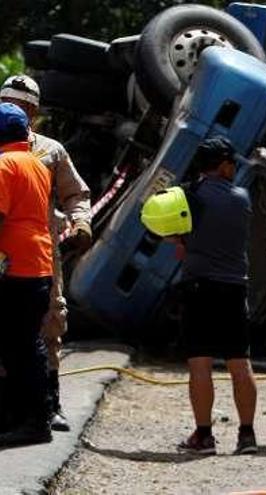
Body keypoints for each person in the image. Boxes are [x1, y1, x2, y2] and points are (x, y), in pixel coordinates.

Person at [145, 137, 258, 455]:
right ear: (223, 165)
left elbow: (168, 234)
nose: (234, 168)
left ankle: (204, 435)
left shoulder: (188, 197)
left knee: (200, 364)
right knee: (240, 363)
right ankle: (247, 435)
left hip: (199, 288)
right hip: (235, 288)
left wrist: (183, 240)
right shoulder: (242, 198)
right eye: (232, 163)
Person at [0, 74, 92, 432]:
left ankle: (49, 404)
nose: (13, 110)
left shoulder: (50, 151)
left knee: (50, 322)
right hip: (10, 252)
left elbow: (76, 194)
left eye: (21, 106)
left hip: (40, 249)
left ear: (34, 113)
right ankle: (14, 407)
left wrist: (80, 223)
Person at [0, 102, 54, 448]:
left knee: (17, 346)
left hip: (14, 266)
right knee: (25, 344)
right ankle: (32, 418)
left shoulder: (4, 164)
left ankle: (31, 421)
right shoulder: (37, 164)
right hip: (38, 262)